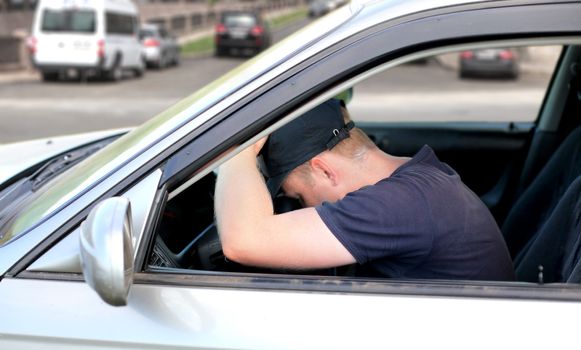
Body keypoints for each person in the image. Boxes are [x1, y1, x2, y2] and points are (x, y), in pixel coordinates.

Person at [215, 99, 515, 280]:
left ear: (324, 170)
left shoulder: (397, 204)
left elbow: (243, 241)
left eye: (299, 197)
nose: (306, 208)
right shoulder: (419, 178)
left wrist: (237, 152)